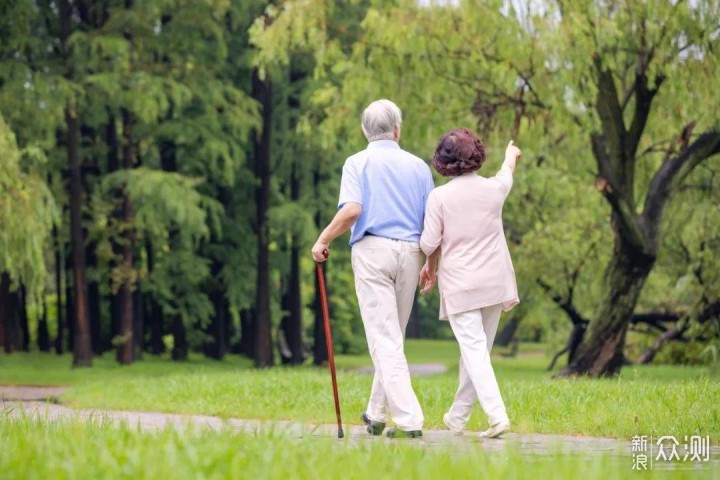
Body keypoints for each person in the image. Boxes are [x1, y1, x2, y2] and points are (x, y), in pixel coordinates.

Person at [311, 99, 434, 438]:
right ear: (398, 129)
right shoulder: (419, 167)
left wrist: (323, 239)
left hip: (372, 250)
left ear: (365, 131)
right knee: (392, 337)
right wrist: (431, 263)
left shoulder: (357, 162)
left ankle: (409, 420)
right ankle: (376, 414)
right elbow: (431, 222)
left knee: (385, 339)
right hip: (411, 253)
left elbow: (352, 210)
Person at [419, 128, 521, 439]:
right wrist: (510, 154)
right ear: (475, 155)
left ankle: (497, 416)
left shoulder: (440, 197)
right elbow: (507, 173)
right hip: (495, 282)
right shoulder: (493, 190)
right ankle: (458, 417)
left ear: (444, 160)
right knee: (477, 352)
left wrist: (429, 261)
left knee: (474, 352)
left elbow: (428, 243)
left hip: (462, 285)